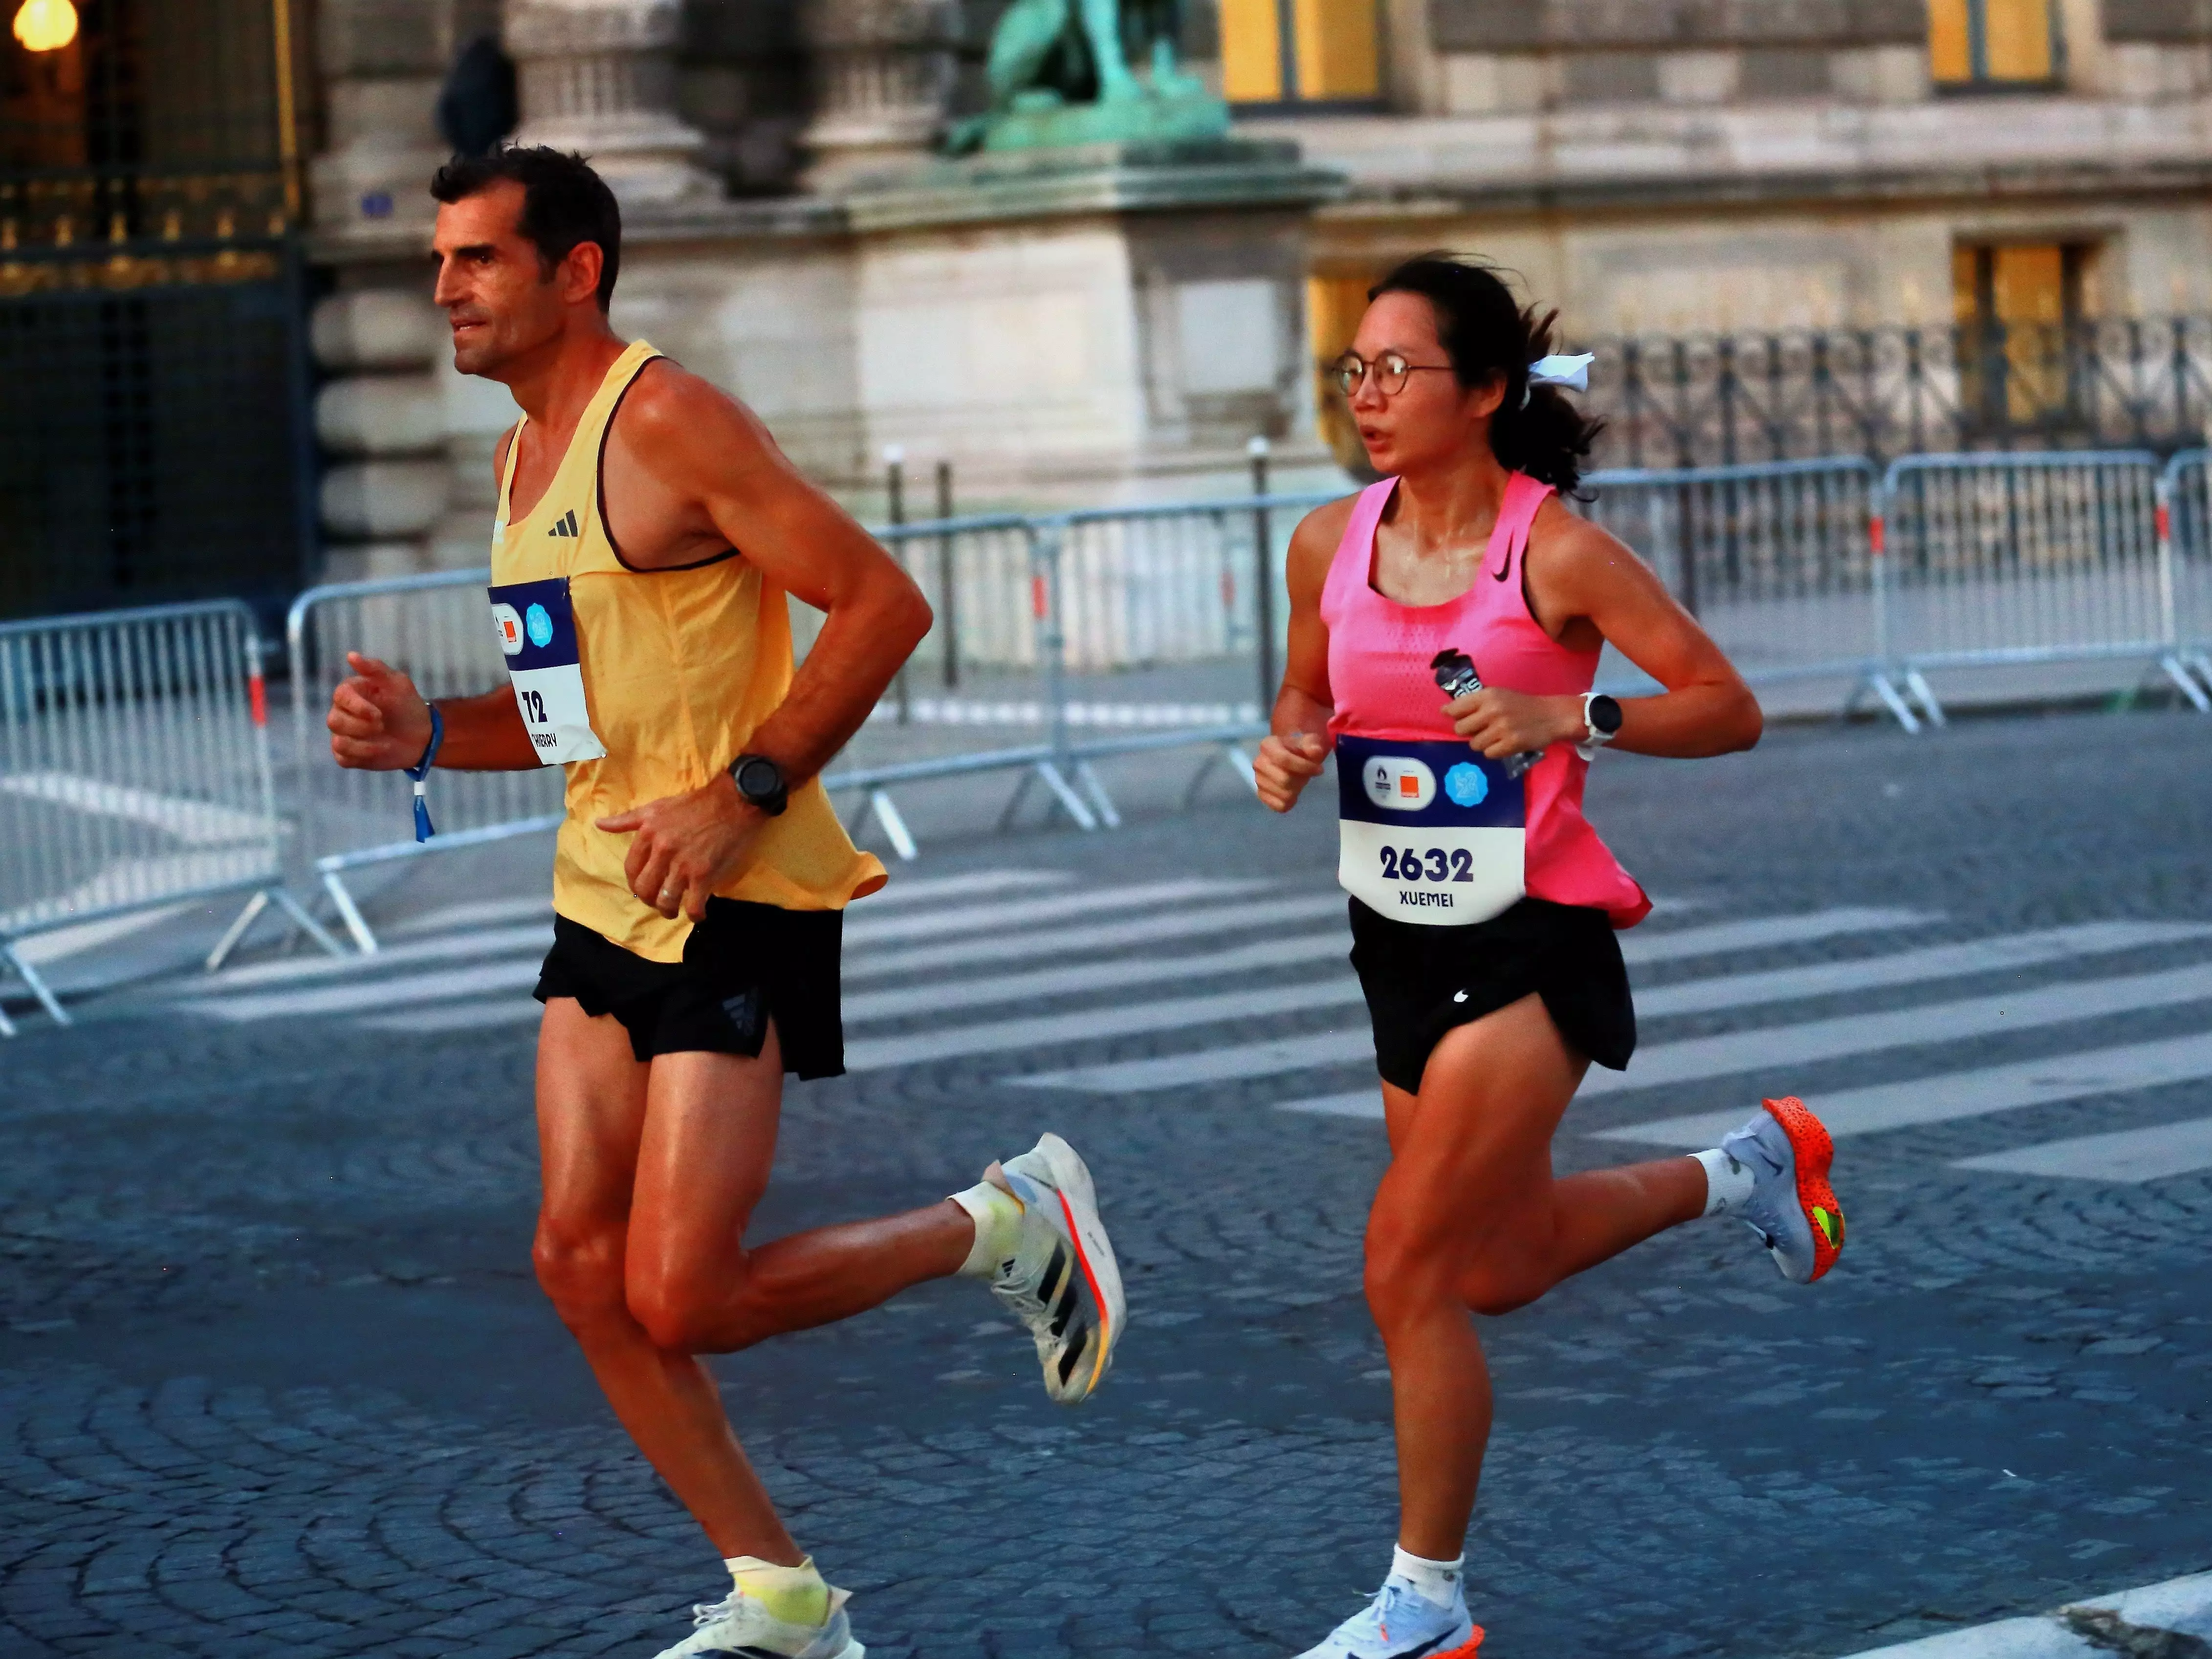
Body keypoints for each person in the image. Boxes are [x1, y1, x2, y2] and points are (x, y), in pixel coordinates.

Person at [324, 145, 1125, 1659]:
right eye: (439, 262)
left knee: (681, 1294)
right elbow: (570, 715)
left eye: (478, 259)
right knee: (577, 1265)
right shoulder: (518, 461)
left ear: (576, 271)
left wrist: (741, 793)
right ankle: (780, 1595)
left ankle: (1005, 1223)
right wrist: (426, 731)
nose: (444, 290)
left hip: (736, 895)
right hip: (601, 898)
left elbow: (883, 601)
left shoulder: (671, 418)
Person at [1253, 255, 1845, 1659]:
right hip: (1391, 940)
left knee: (1403, 1266)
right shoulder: (1325, 539)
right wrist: (1287, 739)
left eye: (1398, 369)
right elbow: (1304, 684)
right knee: (1498, 1263)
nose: (1369, 395)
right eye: (1355, 368)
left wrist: (1568, 713)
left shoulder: (1553, 551)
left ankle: (1426, 1604)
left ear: (1486, 393)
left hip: (1532, 944)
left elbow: (1727, 706)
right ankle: (1741, 1166)